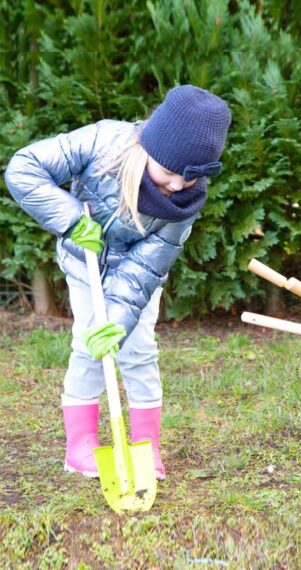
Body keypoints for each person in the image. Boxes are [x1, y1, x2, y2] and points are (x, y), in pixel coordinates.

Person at [4, 85, 232, 480]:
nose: (177, 186)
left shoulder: (184, 206)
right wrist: (72, 219)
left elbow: (145, 268)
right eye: (170, 173)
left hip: (137, 277)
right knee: (88, 344)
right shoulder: (103, 142)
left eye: (188, 179)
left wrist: (119, 321)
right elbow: (24, 169)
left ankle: (146, 445)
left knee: (138, 349)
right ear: (150, 149)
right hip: (83, 264)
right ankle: (80, 446)